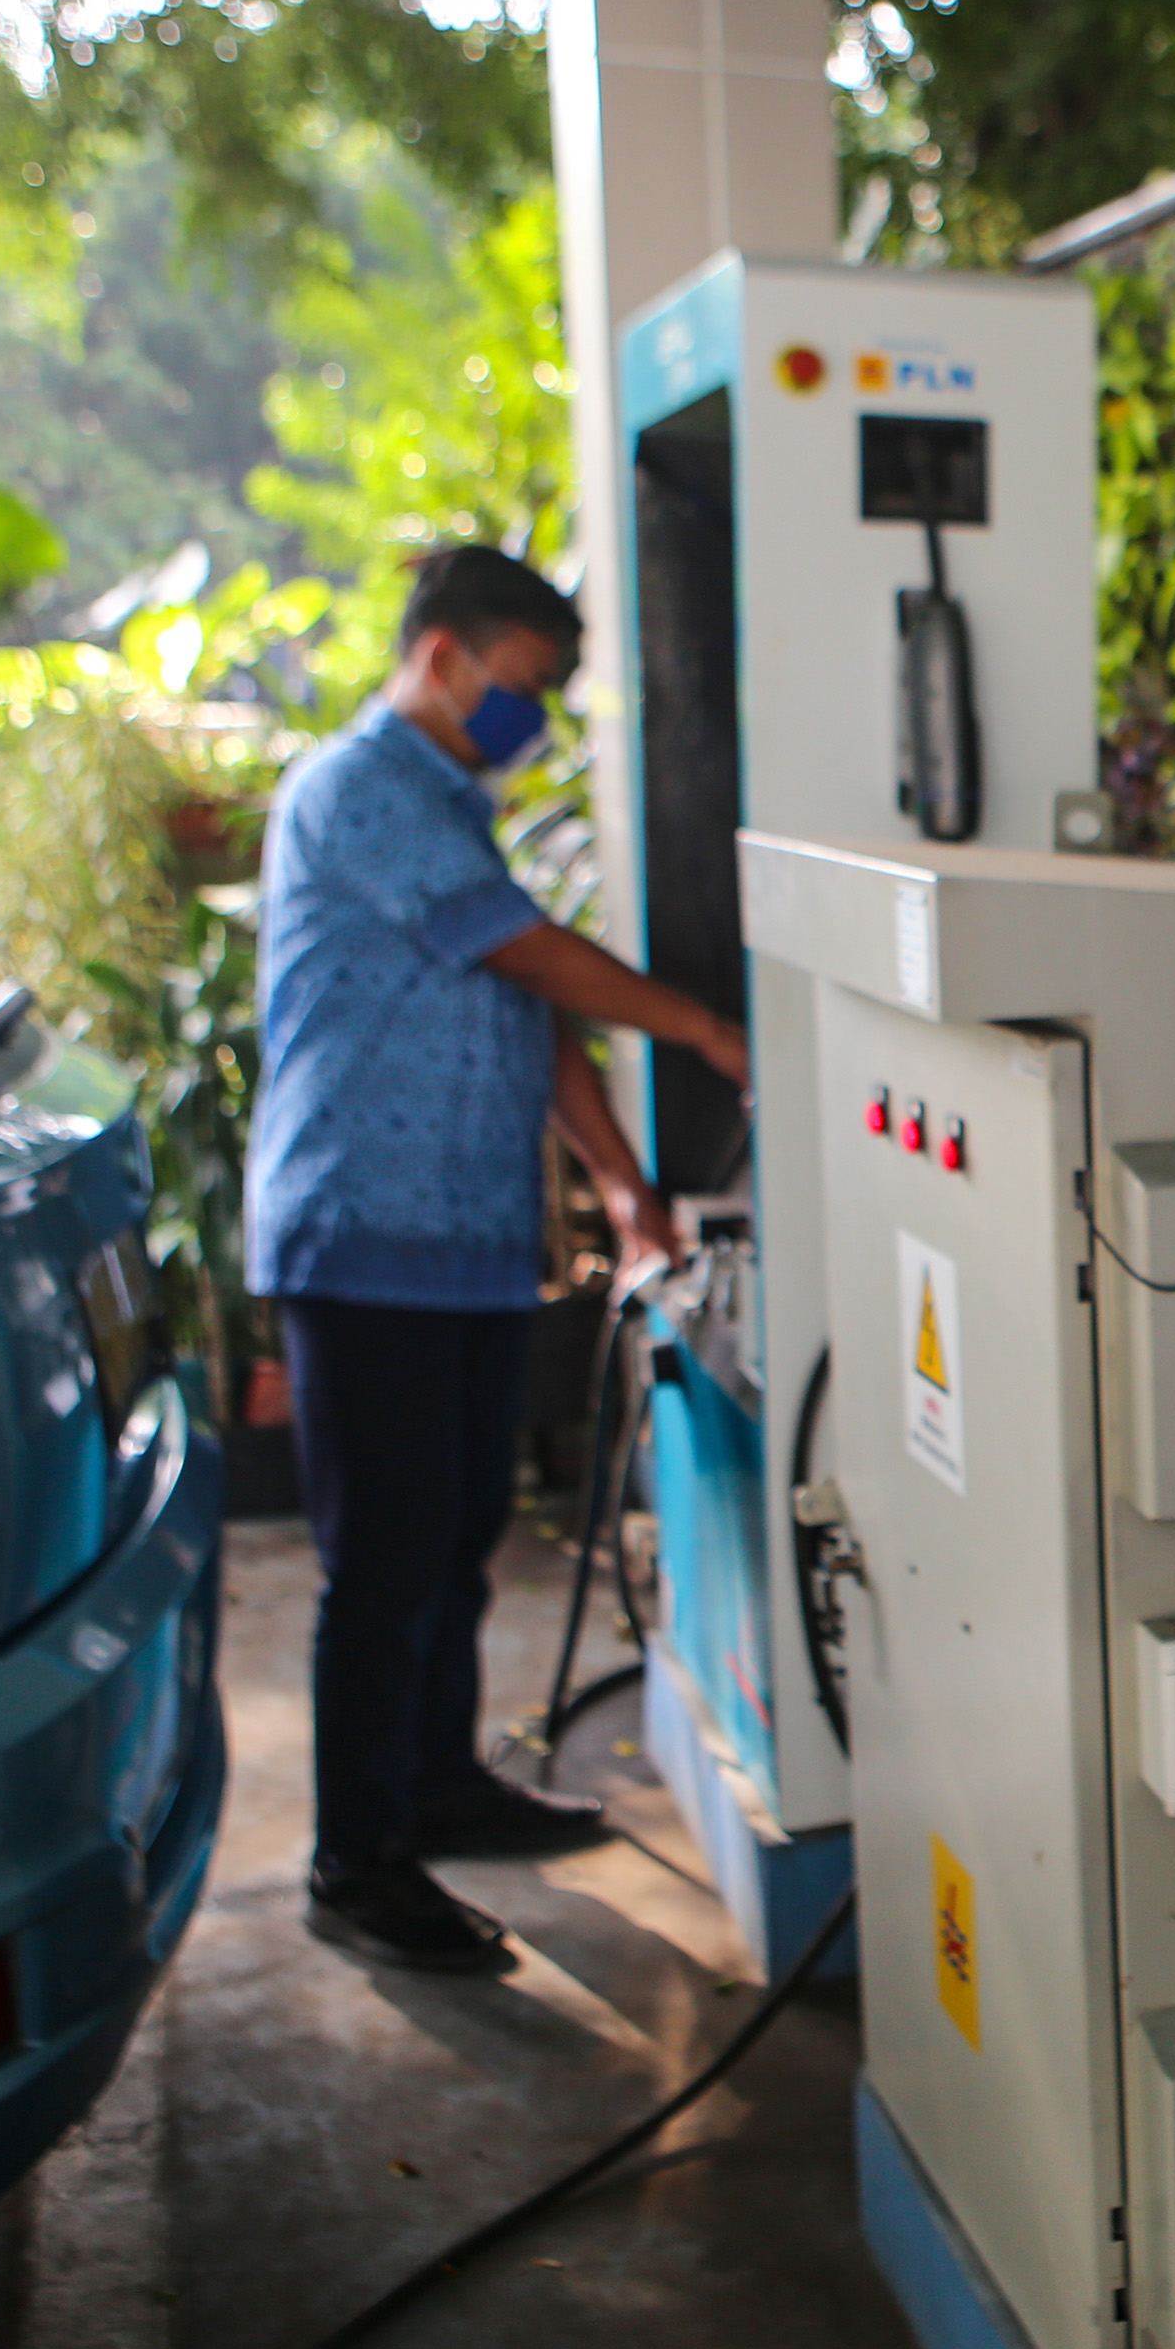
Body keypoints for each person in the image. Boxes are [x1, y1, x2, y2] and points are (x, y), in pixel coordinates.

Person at [247, 545, 748, 1975]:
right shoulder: (358, 789)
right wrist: (704, 1030)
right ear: (441, 656)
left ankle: (437, 1785)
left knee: (461, 1529)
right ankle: (358, 1862)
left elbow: (528, 1016)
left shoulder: (451, 816)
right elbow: (527, 955)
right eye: (523, 684)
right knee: (384, 1560)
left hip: (462, 1247)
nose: (532, 716)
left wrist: (624, 1186)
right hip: (363, 1240)